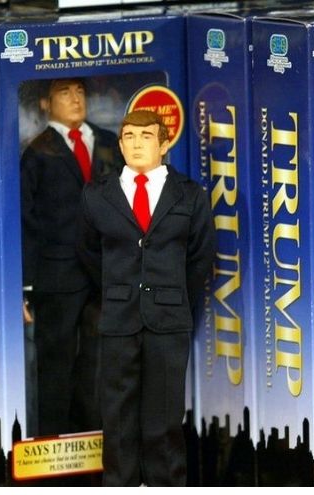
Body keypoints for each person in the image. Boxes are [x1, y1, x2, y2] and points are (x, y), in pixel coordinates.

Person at [78, 110, 215, 486]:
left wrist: (172, 296)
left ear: (165, 143)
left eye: (146, 136)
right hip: (118, 320)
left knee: (165, 420)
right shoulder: (97, 195)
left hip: (168, 322)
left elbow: (200, 256)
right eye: (129, 137)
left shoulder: (189, 194)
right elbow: (88, 252)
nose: (137, 144)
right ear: (120, 145)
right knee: (117, 420)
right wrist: (117, 292)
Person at [19, 78, 123, 436]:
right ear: (45, 103)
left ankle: (96, 438)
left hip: (104, 274)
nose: (76, 99)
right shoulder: (37, 152)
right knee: (55, 363)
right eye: (65, 92)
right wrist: (25, 285)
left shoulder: (108, 143)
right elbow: (26, 220)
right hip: (56, 278)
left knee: (100, 361)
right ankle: (53, 442)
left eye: (79, 91)